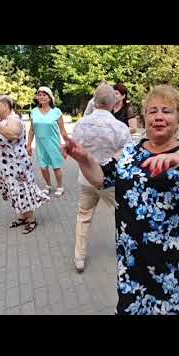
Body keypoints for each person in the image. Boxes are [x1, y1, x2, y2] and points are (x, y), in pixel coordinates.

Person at [62, 85, 179, 315]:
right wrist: (83, 159)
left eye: (167, 111)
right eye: (153, 111)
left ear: (178, 118)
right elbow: (101, 178)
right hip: (133, 261)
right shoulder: (130, 151)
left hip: (171, 262)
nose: (159, 116)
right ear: (145, 118)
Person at [71, 84, 132, 272]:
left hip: (86, 179)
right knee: (124, 214)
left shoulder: (81, 125)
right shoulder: (120, 127)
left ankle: (79, 257)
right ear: (113, 102)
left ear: (94, 101)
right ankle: (127, 251)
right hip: (111, 182)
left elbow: (76, 150)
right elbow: (127, 156)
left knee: (83, 216)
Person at [0, 95, 49, 234]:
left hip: (16, 166)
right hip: (7, 167)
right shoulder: (3, 120)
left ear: (5, 105)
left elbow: (14, 135)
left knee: (22, 191)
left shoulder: (13, 118)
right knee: (14, 191)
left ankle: (31, 219)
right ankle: (23, 217)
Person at [27, 86, 69, 197]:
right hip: (40, 144)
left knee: (56, 166)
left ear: (49, 98)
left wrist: (68, 143)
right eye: (39, 94)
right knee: (43, 167)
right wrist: (28, 144)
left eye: (44, 95)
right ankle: (48, 185)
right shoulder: (34, 112)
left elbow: (62, 130)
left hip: (54, 143)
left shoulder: (56, 111)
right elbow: (31, 130)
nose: (41, 97)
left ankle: (60, 186)